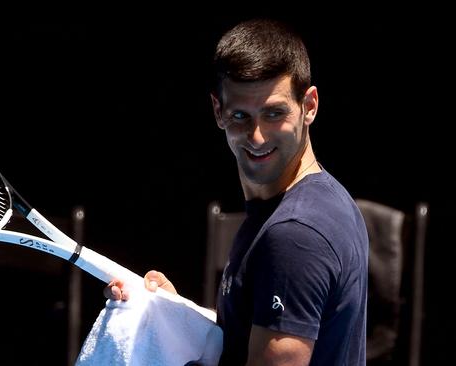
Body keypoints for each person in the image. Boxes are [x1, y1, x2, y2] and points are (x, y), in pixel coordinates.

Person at [104, 18, 368, 365]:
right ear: (219, 111)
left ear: (310, 106)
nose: (257, 136)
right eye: (241, 115)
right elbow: (245, 338)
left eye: (274, 113)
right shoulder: (311, 203)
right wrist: (175, 318)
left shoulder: (294, 235)